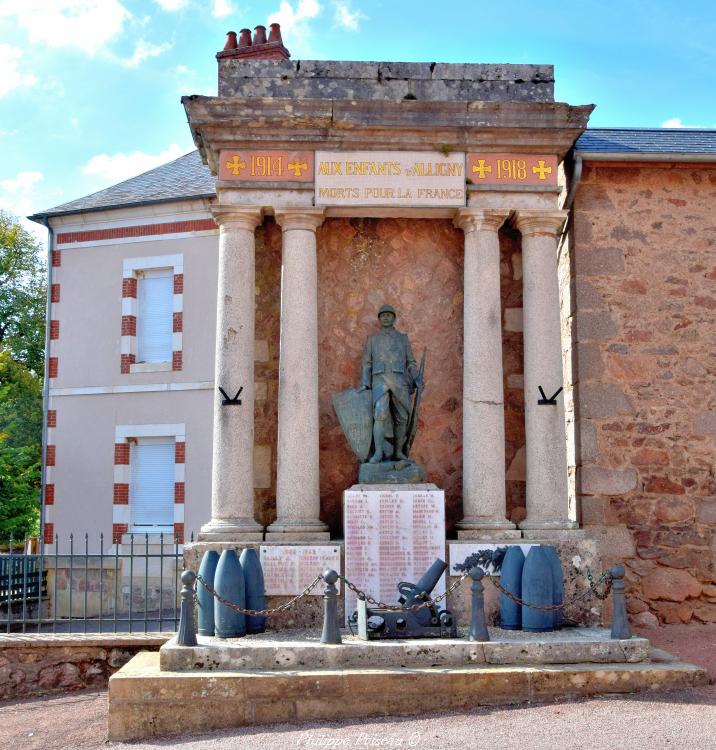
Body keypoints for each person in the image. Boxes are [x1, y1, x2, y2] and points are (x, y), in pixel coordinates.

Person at [357, 304, 423, 463]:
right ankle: (378, 453)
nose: (386, 317)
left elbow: (411, 362)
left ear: (394, 317)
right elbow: (366, 363)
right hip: (379, 381)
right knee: (379, 415)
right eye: (383, 315)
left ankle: (399, 452)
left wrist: (416, 377)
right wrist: (366, 384)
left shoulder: (403, 338)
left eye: (389, 315)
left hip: (400, 382)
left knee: (402, 417)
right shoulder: (372, 339)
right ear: (379, 319)